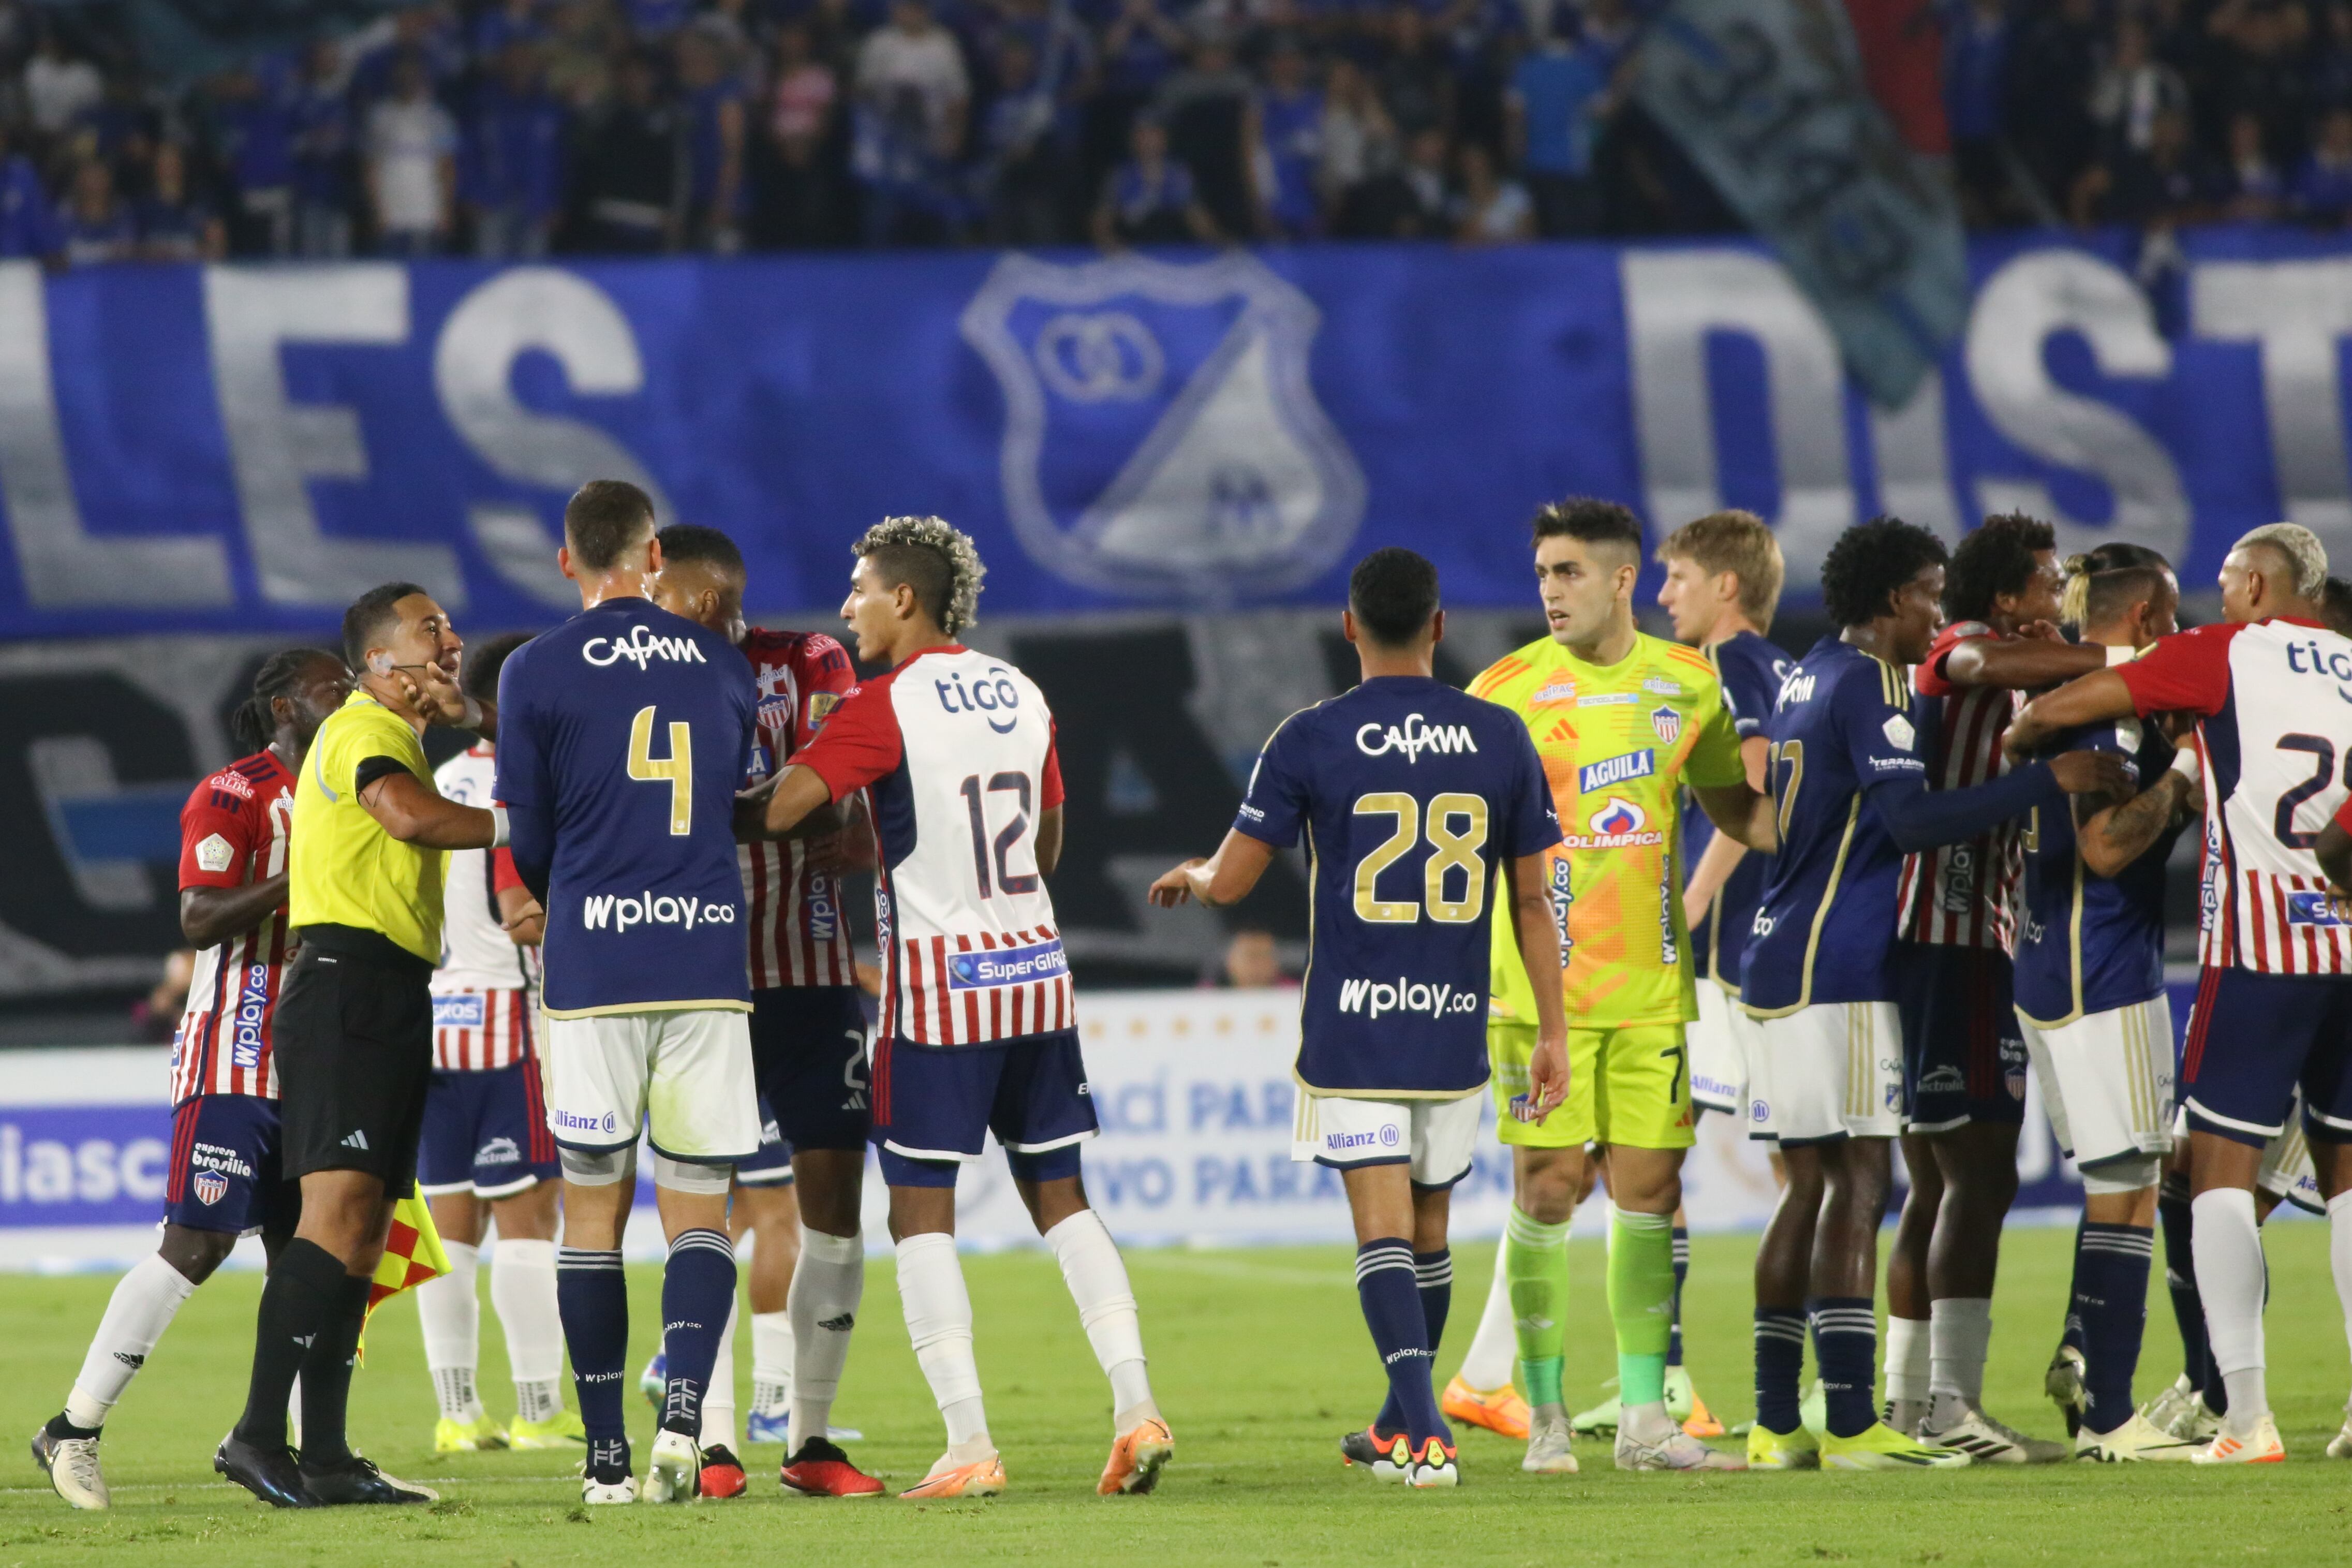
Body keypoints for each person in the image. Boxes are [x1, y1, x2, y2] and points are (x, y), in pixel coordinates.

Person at [757, 515, 1172, 1500]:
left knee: (919, 1215)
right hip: (1035, 974)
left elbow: (781, 807)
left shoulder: (883, 704)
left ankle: (969, 1441)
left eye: (859, 587)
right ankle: (1137, 1407)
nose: (847, 605)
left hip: (940, 992)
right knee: (1063, 1199)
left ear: (905, 598)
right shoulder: (1023, 691)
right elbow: (1052, 846)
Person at [1149, 546, 1570, 1489]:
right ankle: (1398, 1423)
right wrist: (1552, 1031)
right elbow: (1536, 905)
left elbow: (1237, 877)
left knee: (1380, 1229)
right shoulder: (1501, 737)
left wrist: (1196, 877)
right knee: (1429, 1226)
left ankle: (1427, 1434)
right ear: (1437, 627)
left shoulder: (1308, 736)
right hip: (1454, 1020)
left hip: (1353, 1019)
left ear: (1348, 629)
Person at [1740, 516, 2127, 1473]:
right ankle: (1873, 1416)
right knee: (1888, 1182)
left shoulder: (1803, 673)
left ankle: (1782, 1422)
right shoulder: (1894, 672)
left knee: (1820, 1188)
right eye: (1925, 592)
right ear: (1892, 601)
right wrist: (2052, 775)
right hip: (1883, 949)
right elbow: (1914, 813)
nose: (1935, 610)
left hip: (1785, 949)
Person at [2007, 521, 2352, 1465]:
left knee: (2215, 1176)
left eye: (2226, 580)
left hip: (2262, 951)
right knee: (2348, 1180)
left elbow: (2069, 705)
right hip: (2350, 950)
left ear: (2250, 585)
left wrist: (2030, 730)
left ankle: (2242, 1416)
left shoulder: (2224, 652)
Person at [1441, 500, 1773, 1477]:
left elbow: (1737, 814)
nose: (1550, 590)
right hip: (1536, 998)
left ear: (1623, 579)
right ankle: (1543, 1416)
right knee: (1545, 1190)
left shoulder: (1686, 685)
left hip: (1650, 991)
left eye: (1570, 573)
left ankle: (1642, 1420)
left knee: (1649, 1191)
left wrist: (1838, 814)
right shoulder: (1500, 692)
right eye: (1543, 572)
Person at [493, 480, 762, 1506]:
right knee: (699, 1211)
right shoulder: (723, 663)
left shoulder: (533, 671)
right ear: (654, 557)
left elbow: (527, 837)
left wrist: (578, 893)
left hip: (594, 970)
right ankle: (685, 1416)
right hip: (704, 965)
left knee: (592, 1215)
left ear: (569, 561)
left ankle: (606, 1455)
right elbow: (727, 801)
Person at [31, 651, 349, 1511]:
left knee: (307, 1259)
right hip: (234, 1052)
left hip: (319, 1058)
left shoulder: (357, 785)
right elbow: (198, 916)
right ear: (286, 705)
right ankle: (74, 1429)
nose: (351, 696)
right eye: (335, 686)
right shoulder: (235, 793)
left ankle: (275, 1446)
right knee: (198, 1245)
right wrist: (303, 873)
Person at [216, 586, 506, 1508]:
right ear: (379, 659)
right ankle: (257, 1434)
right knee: (332, 1218)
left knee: (366, 1232)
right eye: (431, 630)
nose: (450, 640)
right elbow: (414, 819)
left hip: (385, 990)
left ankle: (330, 1456)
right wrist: (528, 825)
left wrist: (466, 716)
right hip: (346, 988)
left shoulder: (394, 730)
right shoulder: (360, 729)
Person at [649, 522, 881, 1498]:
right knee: (700, 1214)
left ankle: (810, 1439)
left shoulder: (809, 660)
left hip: (812, 972)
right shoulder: (644, 679)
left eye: (660, 595)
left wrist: (832, 814)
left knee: (828, 1209)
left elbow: (832, 789)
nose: (645, 615)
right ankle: (707, 1443)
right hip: (693, 983)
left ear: (703, 599)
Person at [1878, 513, 2107, 1464]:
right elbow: (1978, 671)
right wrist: (2120, 654)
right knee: (1979, 1174)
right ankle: (1951, 1409)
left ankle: (1905, 1407)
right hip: (1949, 931)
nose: (2055, 600)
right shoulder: (1962, 645)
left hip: (1953, 936)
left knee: (1938, 1180)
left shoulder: (1999, 650)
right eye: (2046, 584)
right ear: (2005, 598)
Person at [2008, 552, 2200, 1461]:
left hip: (2044, 970)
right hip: (2102, 970)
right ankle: (2112, 1417)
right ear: (2151, 610)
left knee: (2108, 1192)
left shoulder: (2054, 692)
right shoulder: (2115, 695)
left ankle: (2083, 1348)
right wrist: (2183, 780)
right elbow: (2107, 847)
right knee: (2127, 1194)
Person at [412, 632, 582, 1457]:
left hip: (437, 1020)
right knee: (527, 1221)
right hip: (511, 1022)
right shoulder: (524, 790)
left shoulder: (434, 784)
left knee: (450, 1228)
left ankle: (457, 1411)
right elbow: (525, 916)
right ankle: (539, 1410)